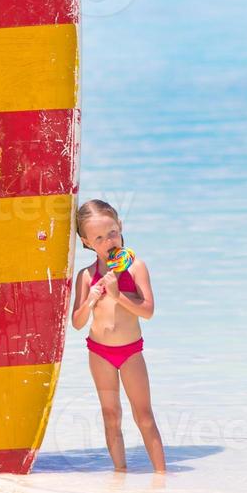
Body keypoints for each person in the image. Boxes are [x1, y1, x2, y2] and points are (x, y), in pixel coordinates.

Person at [71, 199, 166, 473]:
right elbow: (77, 323)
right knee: (111, 415)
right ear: (87, 242)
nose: (108, 241)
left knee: (144, 415)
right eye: (99, 238)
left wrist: (117, 295)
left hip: (131, 352)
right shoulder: (87, 276)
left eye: (112, 232)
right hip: (99, 352)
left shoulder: (136, 267)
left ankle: (161, 476)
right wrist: (90, 299)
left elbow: (147, 311)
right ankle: (120, 476)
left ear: (120, 226)